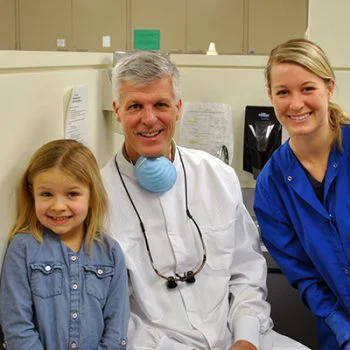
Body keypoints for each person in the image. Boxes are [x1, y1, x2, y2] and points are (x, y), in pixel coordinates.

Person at [101, 50, 309, 350]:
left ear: (178, 108)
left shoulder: (217, 177)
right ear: (117, 111)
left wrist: (246, 338)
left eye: (161, 104)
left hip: (238, 336)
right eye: (135, 106)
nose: (149, 119)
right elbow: (115, 314)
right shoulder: (97, 197)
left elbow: (246, 272)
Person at [254, 38, 350, 350]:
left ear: (329, 88)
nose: (296, 104)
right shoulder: (271, 187)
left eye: (308, 88)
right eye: (283, 92)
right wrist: (343, 330)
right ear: (271, 96)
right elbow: (306, 278)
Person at [0, 139, 129, 350]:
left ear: (91, 195)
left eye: (72, 194)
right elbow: (17, 326)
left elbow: (117, 327)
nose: (58, 206)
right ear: (32, 193)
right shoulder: (23, 249)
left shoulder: (111, 252)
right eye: (46, 194)